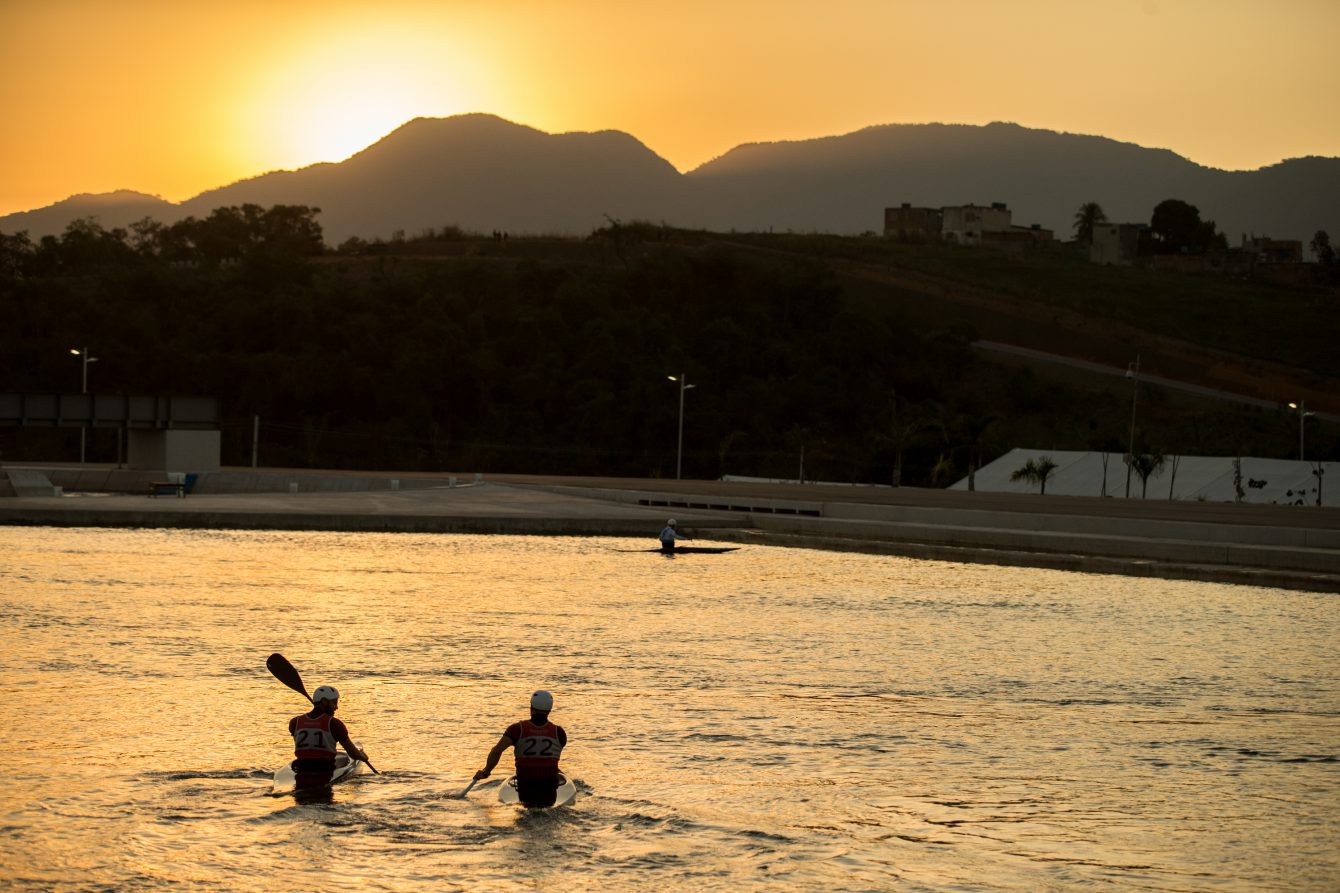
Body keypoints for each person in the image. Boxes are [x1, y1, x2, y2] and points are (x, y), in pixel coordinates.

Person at [474, 690, 567, 807]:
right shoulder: (560, 733)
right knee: (546, 808)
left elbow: (496, 751)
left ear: (531, 707)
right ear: (549, 710)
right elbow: (546, 759)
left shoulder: (516, 730)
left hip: (525, 785)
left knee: (527, 811)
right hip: (548, 786)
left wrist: (486, 772)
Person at [288, 684, 371, 789]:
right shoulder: (335, 724)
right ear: (323, 702)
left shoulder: (295, 722)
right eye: (334, 703)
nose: (336, 707)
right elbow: (352, 753)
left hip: (302, 767)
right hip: (325, 770)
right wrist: (362, 756)